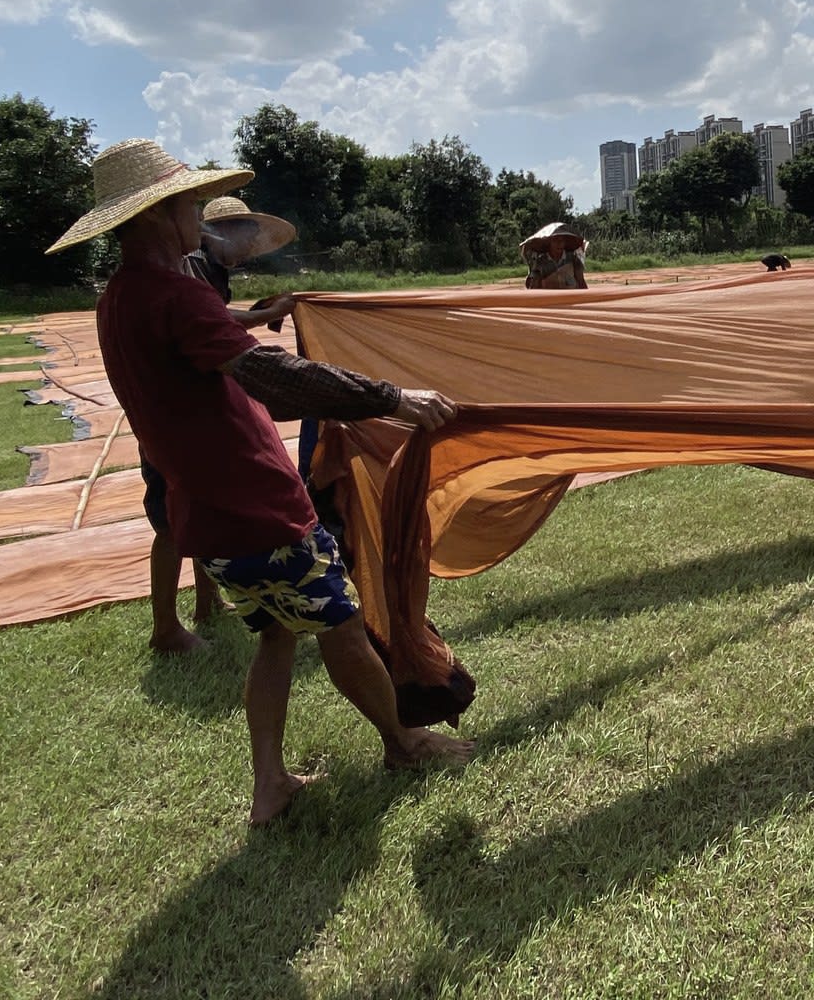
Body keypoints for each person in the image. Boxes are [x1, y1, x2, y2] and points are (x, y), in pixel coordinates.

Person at [48, 139, 473, 823]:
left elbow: (247, 390)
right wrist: (391, 397)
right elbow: (265, 374)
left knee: (278, 635)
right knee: (343, 624)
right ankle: (403, 742)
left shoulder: (121, 297)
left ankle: (269, 783)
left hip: (208, 509)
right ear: (160, 215)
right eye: (190, 205)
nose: (201, 217)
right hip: (255, 507)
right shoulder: (172, 295)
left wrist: (338, 400)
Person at [139, 194, 300, 654]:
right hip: (170, 421)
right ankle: (165, 629)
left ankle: (206, 603)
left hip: (187, 417)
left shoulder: (213, 271)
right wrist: (266, 316)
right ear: (219, 233)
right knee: (169, 525)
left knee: (199, 512)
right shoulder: (191, 269)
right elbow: (217, 320)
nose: (249, 251)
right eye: (245, 241)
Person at [521, 221, 588, 289]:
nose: (559, 243)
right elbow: (534, 285)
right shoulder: (540, 262)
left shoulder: (574, 260)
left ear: (565, 243)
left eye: (561, 241)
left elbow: (581, 281)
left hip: (570, 296)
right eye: (555, 240)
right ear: (550, 242)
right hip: (549, 297)